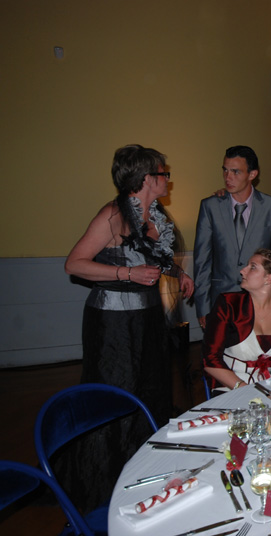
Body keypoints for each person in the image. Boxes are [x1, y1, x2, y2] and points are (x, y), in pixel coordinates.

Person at [63, 144, 194, 510]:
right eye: (163, 173)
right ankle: (104, 481)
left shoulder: (156, 215)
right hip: (112, 323)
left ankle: (144, 471)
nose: (168, 179)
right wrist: (127, 273)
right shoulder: (111, 214)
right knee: (117, 392)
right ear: (146, 178)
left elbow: (153, 258)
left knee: (151, 388)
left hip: (148, 317)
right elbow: (74, 264)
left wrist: (177, 273)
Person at [194, 146, 271, 329]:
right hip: (220, 300)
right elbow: (202, 261)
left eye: (235, 172)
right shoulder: (210, 207)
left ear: (252, 174)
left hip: (260, 301)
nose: (228, 177)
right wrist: (202, 307)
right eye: (225, 170)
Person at [203, 249, 271, 390]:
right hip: (231, 387)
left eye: (252, 267)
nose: (242, 271)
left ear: (269, 278)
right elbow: (210, 359)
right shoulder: (229, 304)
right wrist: (245, 389)